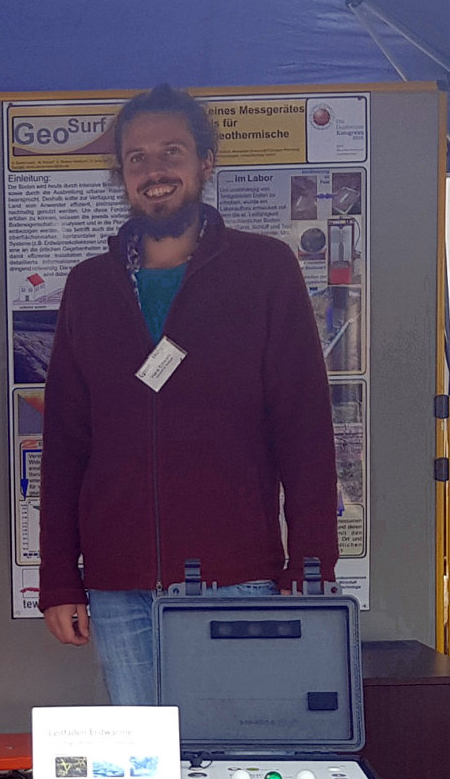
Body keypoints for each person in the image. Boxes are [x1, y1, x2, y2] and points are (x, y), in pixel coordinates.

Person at [38, 84, 338, 704]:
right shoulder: (89, 286)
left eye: (171, 152)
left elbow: (305, 429)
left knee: (233, 764)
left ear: (206, 161)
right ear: (120, 174)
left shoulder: (265, 270)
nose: (155, 172)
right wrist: (60, 580)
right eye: (137, 158)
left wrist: (310, 562)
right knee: (146, 777)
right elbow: (65, 444)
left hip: (238, 574)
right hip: (118, 585)